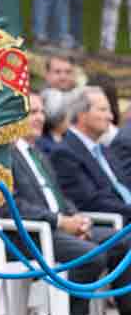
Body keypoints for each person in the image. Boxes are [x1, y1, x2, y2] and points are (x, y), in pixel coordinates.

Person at [0, 92, 131, 315]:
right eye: (32, 112)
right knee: (92, 256)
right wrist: (59, 221)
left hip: (60, 230)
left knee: (124, 242)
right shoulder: (6, 155)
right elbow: (9, 205)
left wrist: (76, 219)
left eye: (41, 112)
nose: (39, 118)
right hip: (31, 235)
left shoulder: (38, 154)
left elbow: (60, 196)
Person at [50, 87, 131, 225]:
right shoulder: (65, 153)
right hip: (111, 225)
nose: (110, 117)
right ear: (82, 114)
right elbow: (91, 202)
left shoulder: (105, 150)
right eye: (103, 110)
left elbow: (124, 188)